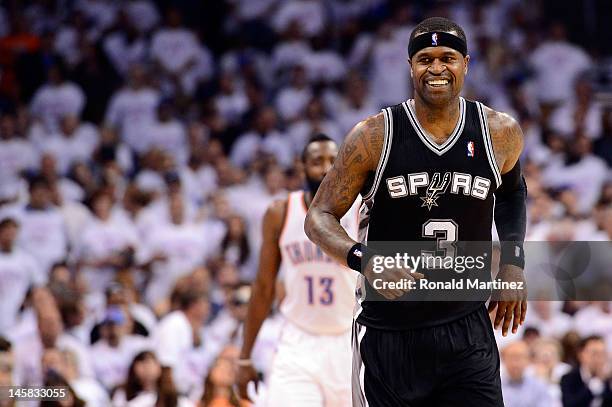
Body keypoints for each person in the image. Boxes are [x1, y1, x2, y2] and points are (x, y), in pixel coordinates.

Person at [305, 17, 528, 406]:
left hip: (466, 328)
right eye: (425, 59)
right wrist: (364, 259)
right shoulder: (374, 136)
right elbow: (319, 216)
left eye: (448, 58)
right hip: (390, 331)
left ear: (466, 64)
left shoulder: (499, 131)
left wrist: (512, 262)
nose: (437, 69)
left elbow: (512, 193)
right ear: (411, 67)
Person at [236, 134, 360, 406]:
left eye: (332, 161)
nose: (326, 168)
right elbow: (264, 287)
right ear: (302, 167)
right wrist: (244, 357)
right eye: (317, 161)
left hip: (347, 340)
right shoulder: (280, 212)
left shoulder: (359, 210)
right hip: (298, 341)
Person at [560, 335, 612, 407]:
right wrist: (597, 382)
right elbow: (570, 404)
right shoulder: (569, 378)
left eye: (603, 354)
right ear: (581, 355)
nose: (599, 358)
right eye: (595, 354)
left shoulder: (608, 379)